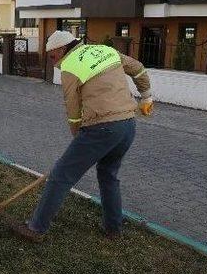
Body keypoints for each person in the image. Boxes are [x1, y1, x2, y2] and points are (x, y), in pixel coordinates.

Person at [15, 30, 153, 241]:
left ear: (62, 49)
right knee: (108, 175)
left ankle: (35, 228)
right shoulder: (105, 50)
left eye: (52, 56)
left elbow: (73, 109)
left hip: (101, 127)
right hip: (127, 125)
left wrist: (78, 138)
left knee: (60, 176)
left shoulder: (70, 65)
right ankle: (113, 229)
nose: (53, 63)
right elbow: (138, 69)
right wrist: (146, 97)